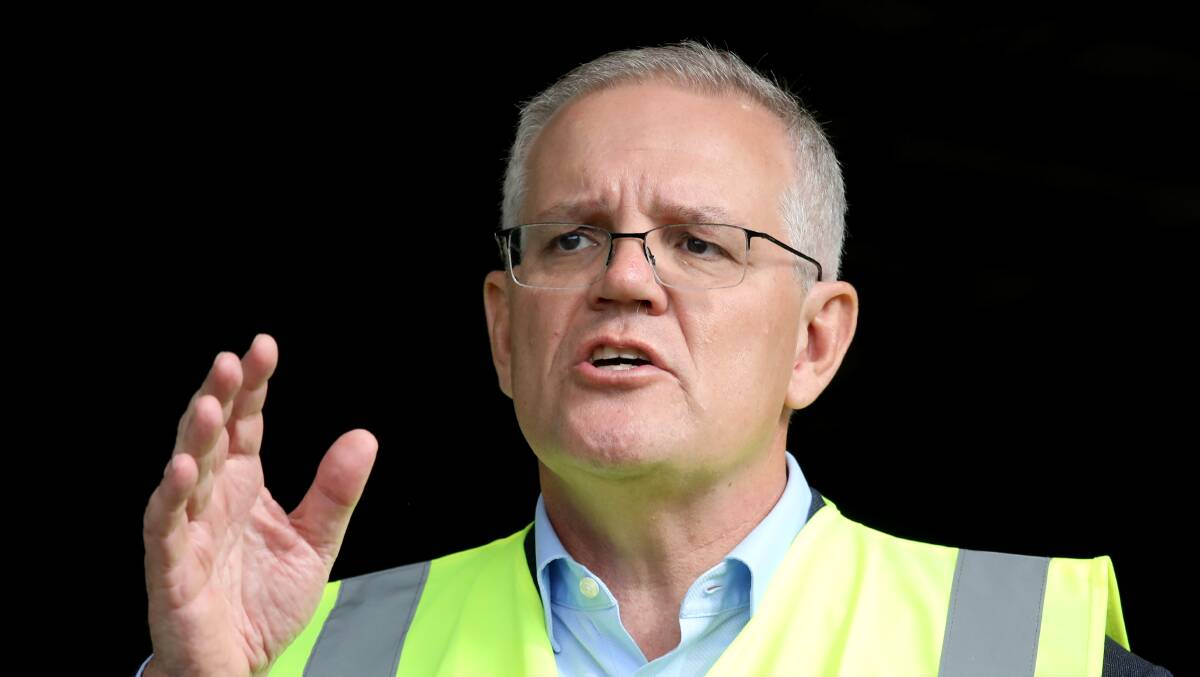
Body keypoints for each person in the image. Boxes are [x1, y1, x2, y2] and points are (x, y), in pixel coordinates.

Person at [138, 41, 1172, 676]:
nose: (624, 278)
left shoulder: (1030, 654)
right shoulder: (298, 656)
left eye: (700, 243)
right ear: (504, 332)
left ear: (815, 340)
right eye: (572, 238)